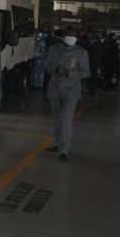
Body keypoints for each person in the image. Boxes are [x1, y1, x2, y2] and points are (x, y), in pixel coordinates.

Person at [44, 26, 90, 161]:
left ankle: (65, 149)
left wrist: (70, 73)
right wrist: (55, 69)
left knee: (66, 120)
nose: (71, 38)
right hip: (54, 89)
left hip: (71, 91)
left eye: (74, 36)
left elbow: (86, 72)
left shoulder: (81, 52)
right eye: (69, 35)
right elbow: (47, 66)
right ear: (64, 35)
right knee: (57, 119)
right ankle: (58, 143)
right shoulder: (54, 49)